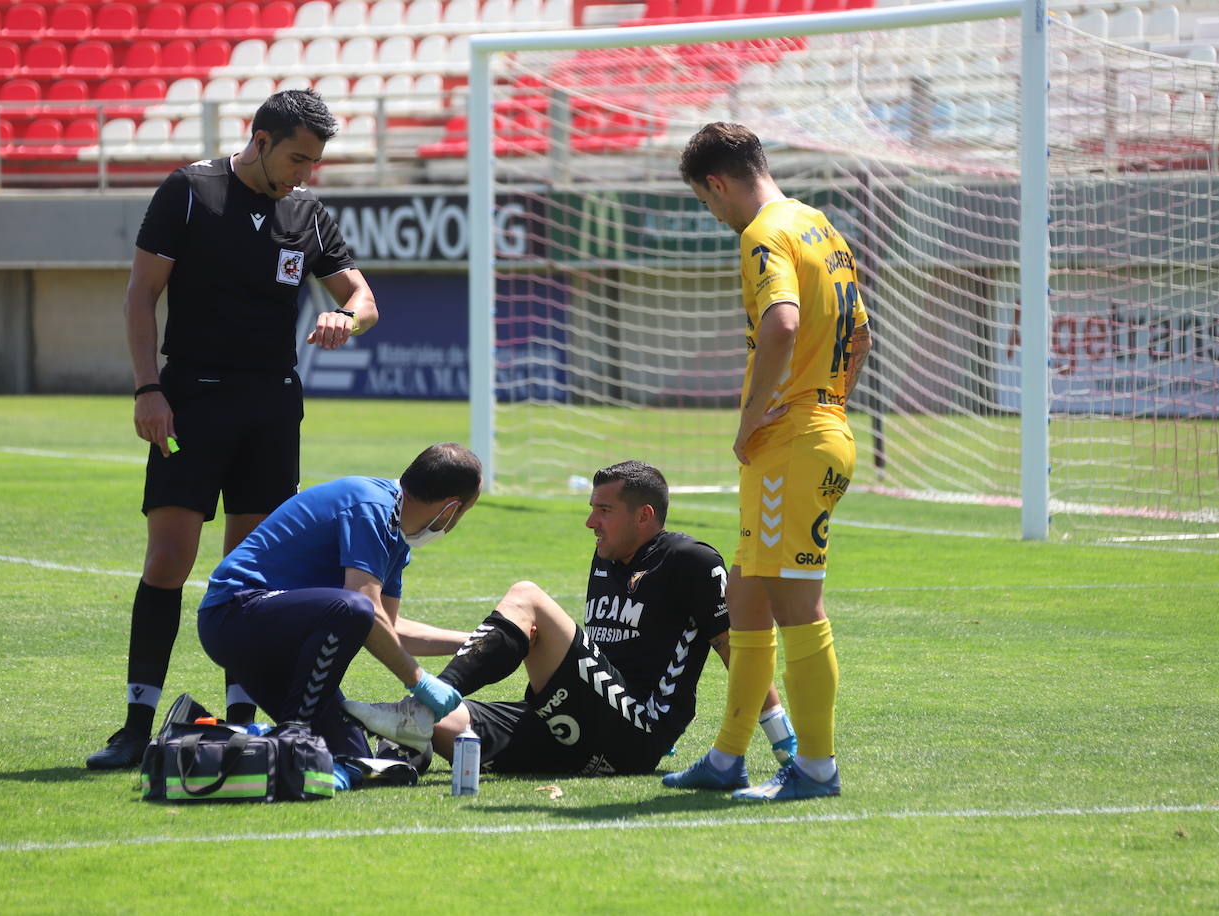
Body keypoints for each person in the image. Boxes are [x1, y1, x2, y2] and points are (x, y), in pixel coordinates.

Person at [87, 88, 379, 769]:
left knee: (252, 578)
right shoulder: (190, 191)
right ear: (261, 138)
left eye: (315, 161)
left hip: (273, 408)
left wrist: (349, 319)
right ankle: (135, 723)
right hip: (191, 402)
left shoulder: (307, 213)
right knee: (168, 561)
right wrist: (148, 389)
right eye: (297, 157)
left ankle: (242, 722)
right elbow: (140, 294)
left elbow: (363, 297)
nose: (305, 172)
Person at [344, 461, 798, 779]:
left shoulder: (690, 560)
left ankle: (419, 709)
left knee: (528, 597)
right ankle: (397, 760)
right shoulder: (606, 557)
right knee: (452, 726)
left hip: (637, 730)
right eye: (592, 508)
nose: (590, 522)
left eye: (604, 510)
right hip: (578, 723)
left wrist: (782, 738)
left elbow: (735, 648)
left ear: (644, 517)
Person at [662, 123, 872, 801]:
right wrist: (827, 404)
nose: (713, 214)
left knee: (796, 604)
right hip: (819, 427)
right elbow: (861, 334)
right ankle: (727, 758)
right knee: (744, 594)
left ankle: (816, 768)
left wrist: (758, 416)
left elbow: (781, 322)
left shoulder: (763, 234)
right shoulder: (820, 226)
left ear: (717, 184)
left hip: (791, 441)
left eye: (705, 201)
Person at [194, 443, 483, 780]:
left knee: (353, 756)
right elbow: (363, 610)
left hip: (276, 641)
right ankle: (294, 733)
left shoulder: (395, 530)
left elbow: (389, 627)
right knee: (354, 607)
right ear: (451, 509)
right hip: (233, 616)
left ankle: (224, 736)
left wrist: (477, 642)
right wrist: (418, 680)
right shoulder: (371, 508)